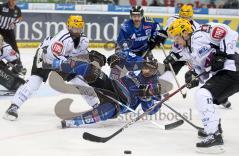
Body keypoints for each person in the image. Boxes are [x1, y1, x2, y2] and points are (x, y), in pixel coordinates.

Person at [3, 15, 104, 121]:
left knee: (79, 81)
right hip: (45, 57)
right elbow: (51, 56)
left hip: (64, 60)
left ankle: (96, 105)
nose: (78, 30)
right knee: (35, 81)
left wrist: (89, 59)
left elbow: (81, 55)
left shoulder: (84, 40)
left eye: (80, 27)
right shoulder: (61, 38)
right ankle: (13, 106)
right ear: (69, 26)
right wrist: (70, 64)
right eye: (75, 27)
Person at [164, 18, 239, 152]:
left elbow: (231, 33)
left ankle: (214, 135)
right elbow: (203, 70)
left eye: (176, 37)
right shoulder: (188, 51)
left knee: (203, 95)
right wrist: (193, 76)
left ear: (185, 32)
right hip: (226, 73)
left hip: (233, 68)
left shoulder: (201, 33)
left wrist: (222, 54)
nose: (175, 41)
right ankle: (214, 127)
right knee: (205, 95)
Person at [42, 55, 172, 128]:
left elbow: (150, 110)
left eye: (149, 70)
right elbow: (119, 65)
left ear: (155, 71)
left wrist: (147, 98)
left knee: (105, 111)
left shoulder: (155, 86)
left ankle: (74, 122)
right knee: (91, 70)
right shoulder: (137, 66)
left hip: (123, 103)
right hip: (112, 85)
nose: (145, 71)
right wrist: (115, 61)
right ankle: (54, 64)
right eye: (144, 67)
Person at [109, 6, 167, 80]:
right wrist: (138, 59)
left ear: (142, 15)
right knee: (118, 61)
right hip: (126, 49)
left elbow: (158, 29)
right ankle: (112, 80)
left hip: (143, 49)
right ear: (131, 16)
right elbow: (123, 47)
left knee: (151, 66)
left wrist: (159, 36)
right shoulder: (126, 27)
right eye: (134, 16)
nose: (136, 18)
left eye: (138, 16)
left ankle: (151, 86)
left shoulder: (149, 22)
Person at [163, 4, 200, 75]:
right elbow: (168, 33)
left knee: (195, 76)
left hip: (191, 55)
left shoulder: (196, 28)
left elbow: (195, 48)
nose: (184, 20)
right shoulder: (172, 20)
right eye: (182, 17)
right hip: (176, 52)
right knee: (168, 74)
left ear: (191, 17)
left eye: (187, 18)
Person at [0, 0, 26, 75]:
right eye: (12, 0)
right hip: (0, 29)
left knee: (14, 48)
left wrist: (15, 22)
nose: (13, 2)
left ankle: (19, 65)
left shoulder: (17, 9)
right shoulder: (2, 6)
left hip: (9, 31)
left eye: (15, 0)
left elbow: (20, 18)